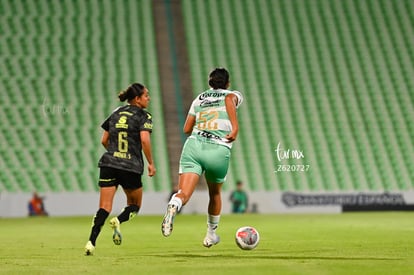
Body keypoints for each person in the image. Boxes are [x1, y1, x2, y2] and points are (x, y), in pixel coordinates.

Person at [161, 67, 243, 248]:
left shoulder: (199, 98)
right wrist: (234, 127)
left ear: (210, 83)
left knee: (183, 193)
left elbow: (186, 129)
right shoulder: (232, 94)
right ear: (227, 83)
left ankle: (174, 204)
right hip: (218, 149)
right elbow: (230, 100)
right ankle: (210, 235)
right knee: (214, 193)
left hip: (194, 146)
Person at [84, 83, 156, 255]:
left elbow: (104, 140)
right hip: (130, 166)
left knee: (104, 207)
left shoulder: (116, 112)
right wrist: (151, 163)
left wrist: (115, 153)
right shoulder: (144, 115)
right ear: (137, 99)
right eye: (146, 95)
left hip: (109, 163)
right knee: (134, 205)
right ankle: (118, 220)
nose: (149, 98)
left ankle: (91, 242)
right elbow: (145, 140)